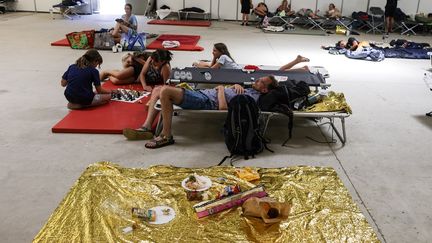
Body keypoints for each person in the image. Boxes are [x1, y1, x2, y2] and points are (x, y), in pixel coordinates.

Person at [122, 76, 278, 148]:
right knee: (157, 89)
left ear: (264, 89)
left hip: (206, 101)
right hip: (203, 94)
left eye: (261, 81)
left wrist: (222, 88)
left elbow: (223, 108)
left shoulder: (251, 98)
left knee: (165, 92)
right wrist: (232, 86)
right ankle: (147, 126)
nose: (257, 80)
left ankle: (166, 135)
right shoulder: (248, 89)